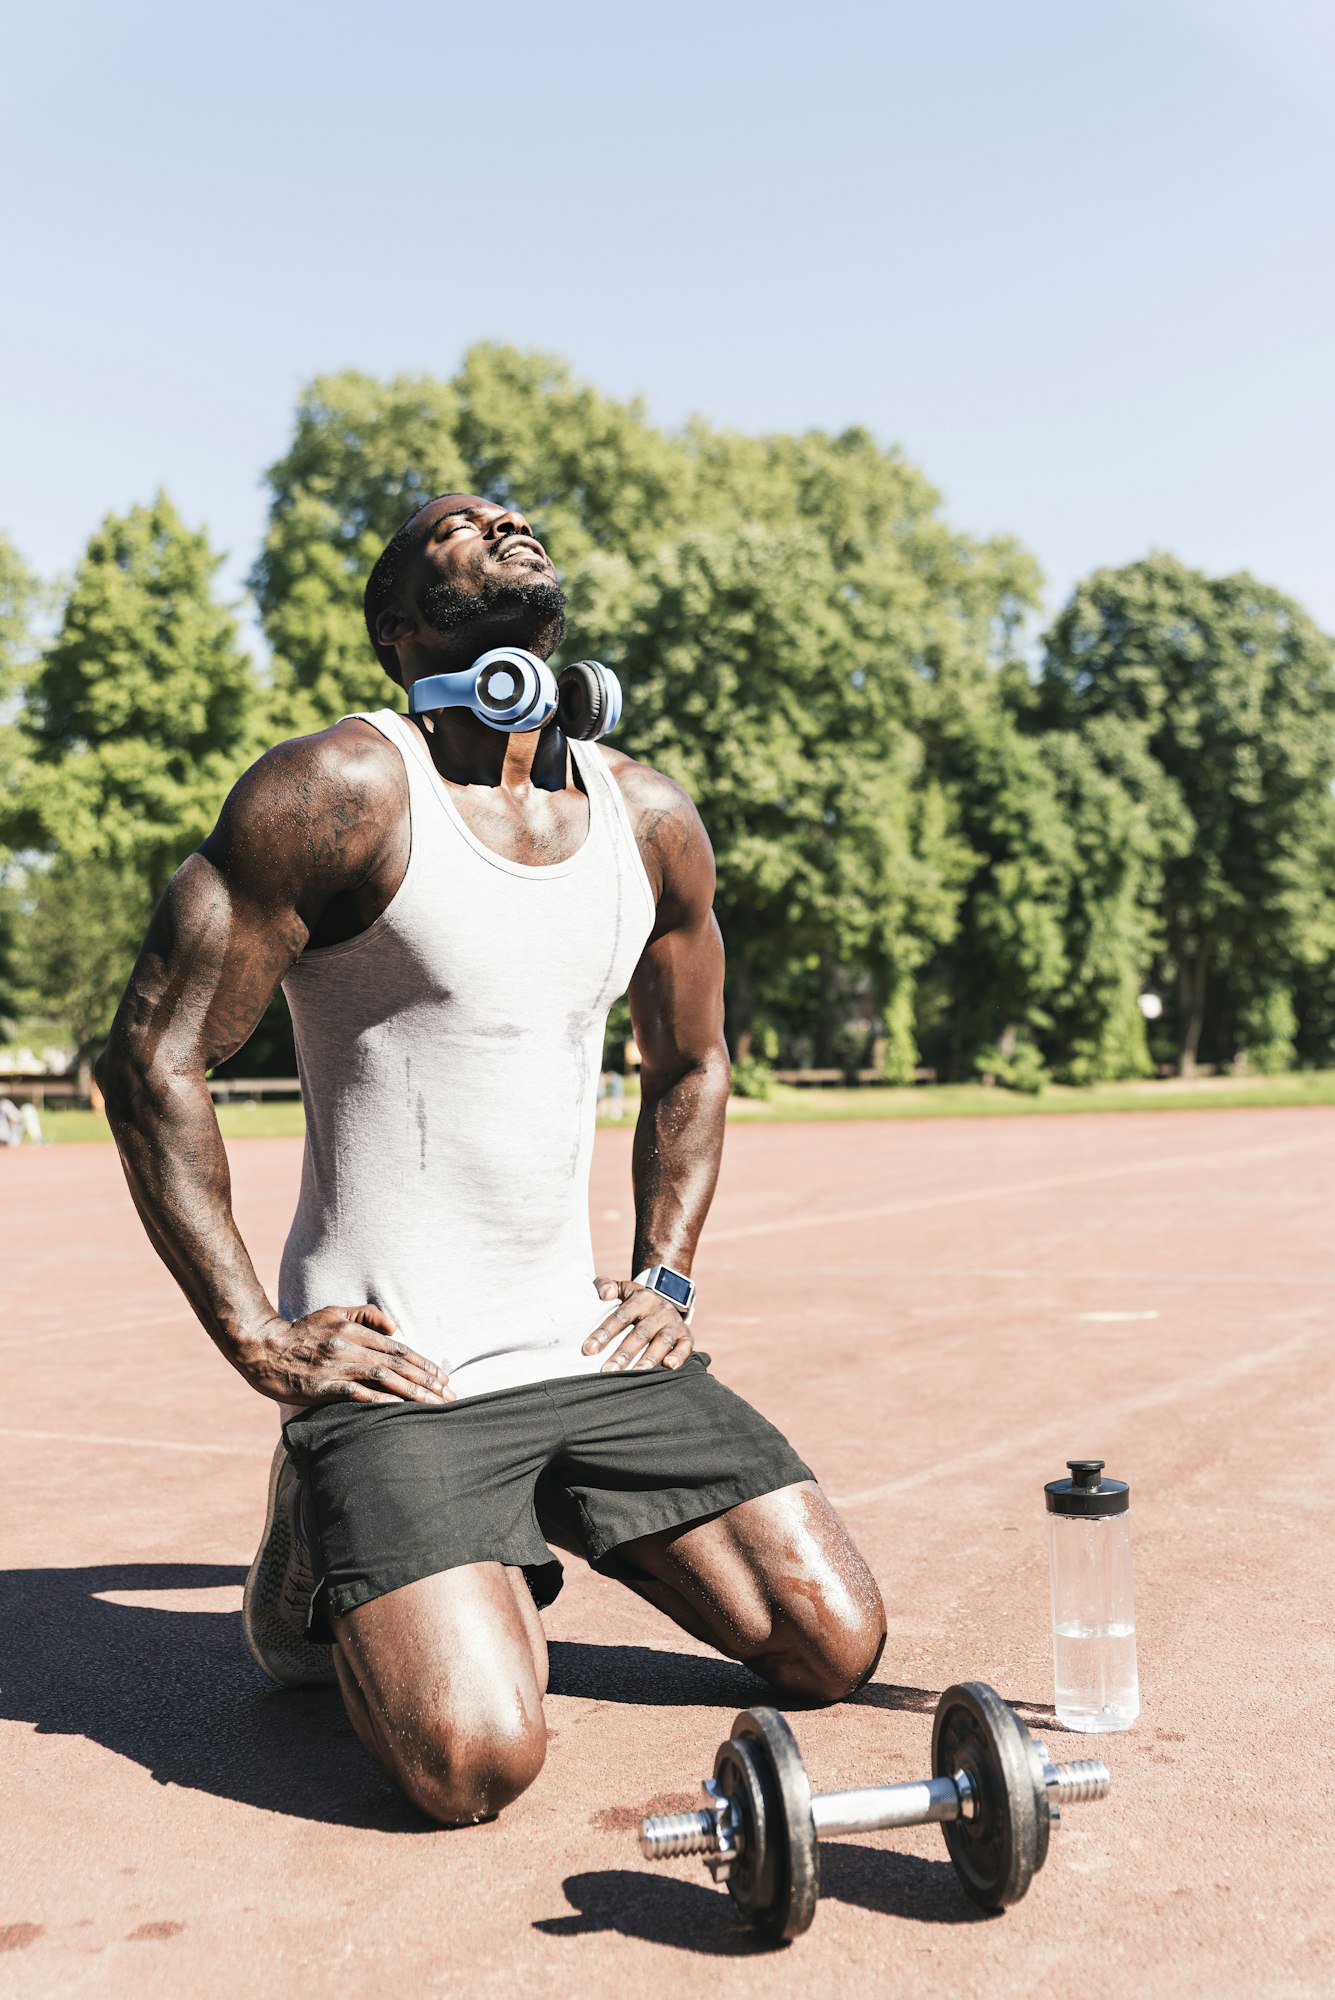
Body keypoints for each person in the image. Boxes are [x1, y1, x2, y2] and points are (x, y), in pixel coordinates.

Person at [98, 495, 886, 1826]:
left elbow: (689, 1063)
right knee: (475, 1766)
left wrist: (667, 1279)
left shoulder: (648, 817)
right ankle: (322, 1544)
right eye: (451, 526)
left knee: (832, 1643)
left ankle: (498, 1523)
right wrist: (258, 1336)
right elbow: (150, 1057)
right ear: (401, 629)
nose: (496, 515)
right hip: (400, 1362)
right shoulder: (340, 791)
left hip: (579, 1343)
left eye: (505, 514)